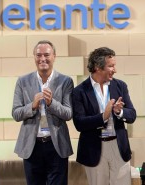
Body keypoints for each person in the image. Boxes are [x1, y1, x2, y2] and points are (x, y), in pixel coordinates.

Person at [12, 40, 74, 185]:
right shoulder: (23, 81)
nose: (42, 59)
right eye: (38, 55)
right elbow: (16, 113)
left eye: (46, 55)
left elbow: (68, 113)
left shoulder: (65, 81)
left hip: (56, 144)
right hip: (31, 146)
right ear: (34, 57)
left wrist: (51, 103)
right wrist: (32, 106)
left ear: (54, 56)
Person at [72, 47, 136, 185]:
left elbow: (132, 115)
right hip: (94, 148)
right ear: (97, 67)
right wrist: (103, 117)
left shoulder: (120, 86)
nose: (115, 70)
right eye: (111, 66)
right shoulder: (79, 91)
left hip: (118, 146)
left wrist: (120, 112)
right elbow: (79, 123)